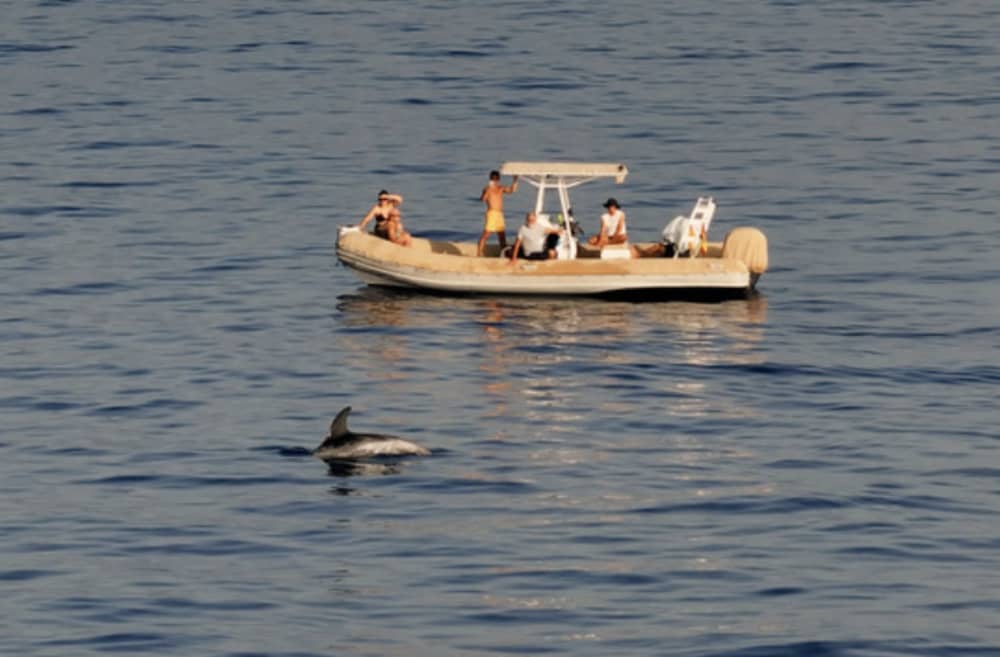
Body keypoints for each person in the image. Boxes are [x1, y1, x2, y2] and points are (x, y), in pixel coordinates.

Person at [478, 170, 519, 256]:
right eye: (493, 179)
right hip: (492, 213)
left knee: (501, 235)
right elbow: (483, 199)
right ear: (490, 179)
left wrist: (515, 180)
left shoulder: (500, 188)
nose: (495, 181)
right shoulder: (487, 188)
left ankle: (504, 253)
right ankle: (479, 252)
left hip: (499, 214)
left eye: (496, 179)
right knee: (486, 233)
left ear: (498, 179)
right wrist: (487, 190)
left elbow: (512, 190)